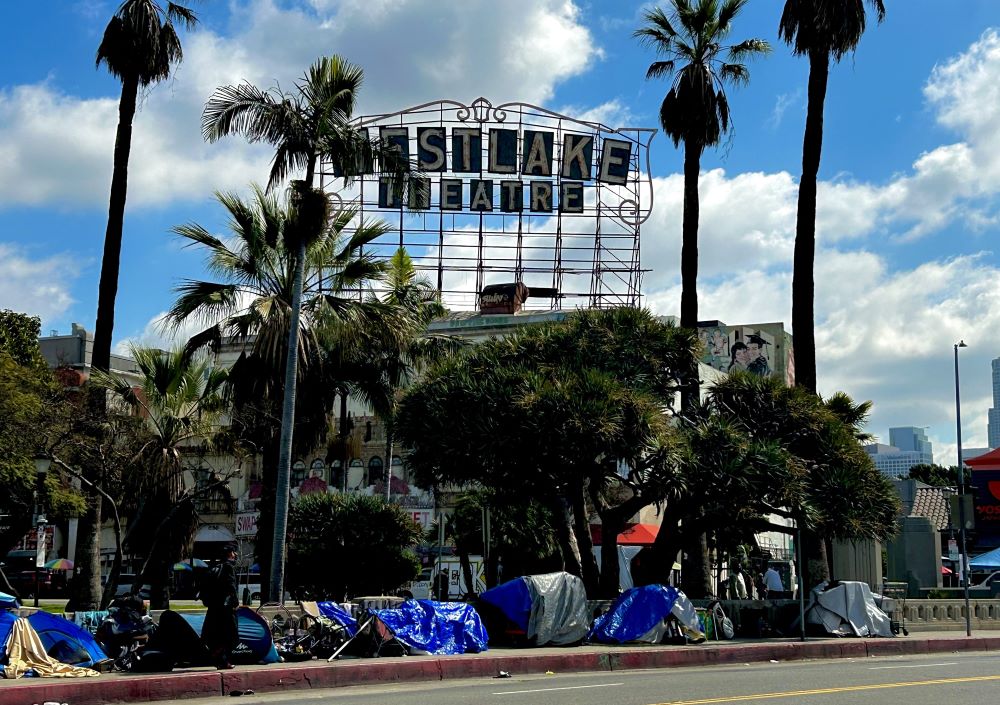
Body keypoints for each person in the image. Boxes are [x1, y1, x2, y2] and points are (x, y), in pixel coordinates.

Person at [202, 544, 239, 669]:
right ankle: (223, 660)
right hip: (226, 609)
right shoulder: (228, 567)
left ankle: (219, 659)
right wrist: (235, 603)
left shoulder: (216, 567)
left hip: (214, 608)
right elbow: (231, 587)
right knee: (229, 635)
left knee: (217, 635)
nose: (235, 555)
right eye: (233, 552)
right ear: (229, 554)